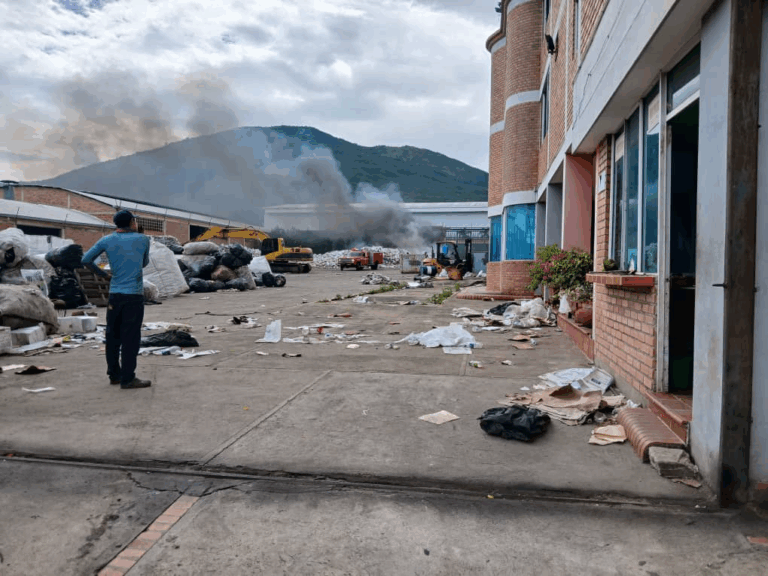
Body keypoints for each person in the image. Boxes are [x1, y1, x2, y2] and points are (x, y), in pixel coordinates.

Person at [82, 210, 152, 389]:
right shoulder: (143, 239)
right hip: (134, 295)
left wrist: (104, 274)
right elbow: (144, 263)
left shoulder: (106, 240)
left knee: (113, 336)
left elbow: (86, 259)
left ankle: (114, 375)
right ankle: (128, 378)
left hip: (115, 295)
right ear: (132, 223)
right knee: (130, 337)